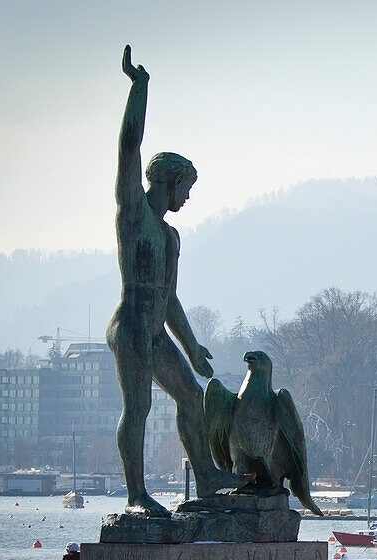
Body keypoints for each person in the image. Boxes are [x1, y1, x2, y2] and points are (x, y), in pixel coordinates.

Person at [107, 45, 245, 516]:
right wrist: (139, 88)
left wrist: (191, 346)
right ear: (168, 181)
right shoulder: (134, 214)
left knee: (191, 394)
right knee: (139, 407)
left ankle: (206, 477)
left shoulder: (170, 237)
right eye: (185, 187)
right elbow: (128, 147)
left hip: (156, 326)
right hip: (130, 325)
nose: (187, 197)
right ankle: (136, 494)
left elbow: (170, 300)